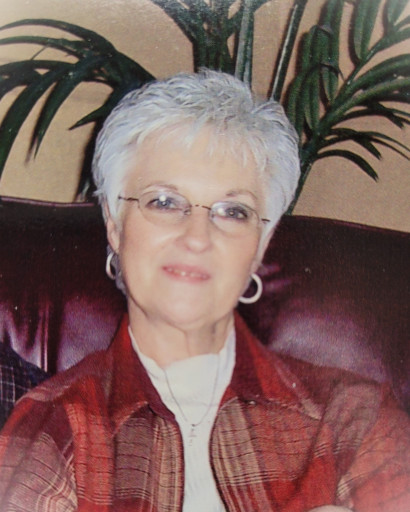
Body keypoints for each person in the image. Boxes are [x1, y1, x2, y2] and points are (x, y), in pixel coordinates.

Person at [0, 70, 408, 512]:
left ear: (261, 244)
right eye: (164, 202)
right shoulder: (55, 424)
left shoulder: (355, 418)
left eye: (233, 211)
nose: (198, 237)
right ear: (115, 227)